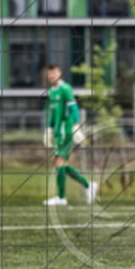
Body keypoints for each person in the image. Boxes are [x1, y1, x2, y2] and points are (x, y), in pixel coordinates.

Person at [44, 64, 97, 207]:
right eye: (49, 73)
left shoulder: (65, 89)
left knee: (59, 161)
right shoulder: (52, 91)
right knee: (58, 162)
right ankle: (88, 185)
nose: (51, 75)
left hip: (65, 130)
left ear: (59, 73)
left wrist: (76, 124)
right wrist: (48, 128)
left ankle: (62, 197)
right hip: (58, 131)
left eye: (54, 72)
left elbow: (73, 106)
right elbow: (54, 113)